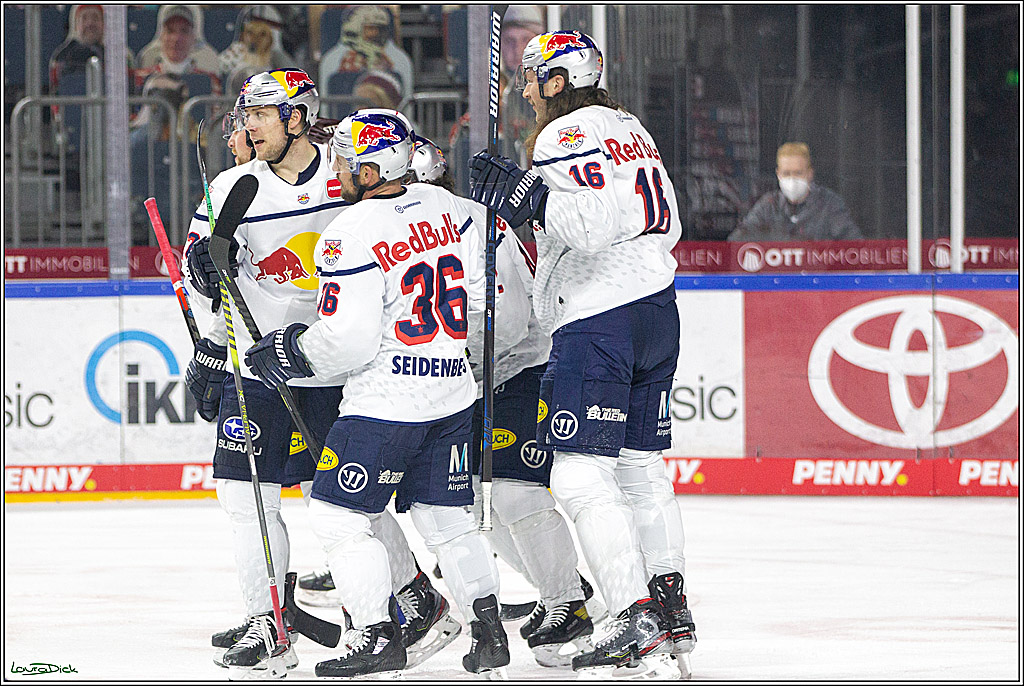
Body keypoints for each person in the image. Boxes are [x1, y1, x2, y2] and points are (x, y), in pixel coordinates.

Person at [243, 108, 510, 679]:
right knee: (448, 520)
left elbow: (348, 339)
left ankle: (375, 635)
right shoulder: (454, 209)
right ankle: (489, 634)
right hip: (452, 392)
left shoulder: (351, 231)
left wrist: (291, 350)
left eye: (342, 161)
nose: (335, 169)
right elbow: (484, 301)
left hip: (386, 401)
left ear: (368, 171)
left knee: (337, 515)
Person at [469, 31, 697, 679]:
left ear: (558, 81)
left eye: (532, 78)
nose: (525, 90)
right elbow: (662, 220)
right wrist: (529, 196)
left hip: (599, 317)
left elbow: (591, 227)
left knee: (578, 474)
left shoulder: (562, 133)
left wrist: (529, 198)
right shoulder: (630, 127)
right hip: (657, 305)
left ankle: (631, 613)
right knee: (641, 469)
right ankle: (669, 607)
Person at [407, 137, 603, 668]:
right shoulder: (395, 231)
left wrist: (453, 354)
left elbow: (511, 321)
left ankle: (568, 603)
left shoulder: (477, 224)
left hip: (519, 368)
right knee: (474, 503)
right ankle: (561, 583)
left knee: (515, 493)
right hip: (466, 379)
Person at [181, 69, 345, 678]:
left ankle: (400, 604)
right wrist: (204, 269)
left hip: (337, 365)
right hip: (256, 369)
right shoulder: (232, 186)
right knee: (244, 497)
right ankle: (268, 621)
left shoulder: (345, 174)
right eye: (245, 115)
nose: (248, 126)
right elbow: (201, 268)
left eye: (260, 115)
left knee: (352, 506)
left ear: (296, 118)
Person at [728, 142, 862, 241]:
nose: (792, 179)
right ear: (778, 174)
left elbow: (854, 245)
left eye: (798, 173)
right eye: (786, 173)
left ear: (810, 174)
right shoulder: (769, 205)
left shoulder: (829, 204)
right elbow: (736, 241)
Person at [318, 6, 413, 103]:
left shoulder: (395, 59)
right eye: (370, 28)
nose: (376, 33)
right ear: (357, 28)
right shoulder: (339, 59)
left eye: (379, 29)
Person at [135, 5, 222, 94]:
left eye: (184, 31)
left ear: (193, 37)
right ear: (161, 36)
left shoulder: (210, 82)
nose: (176, 38)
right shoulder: (140, 79)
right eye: (170, 31)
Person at [218, 6, 295, 97]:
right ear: (243, 35)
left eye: (262, 34)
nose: (254, 40)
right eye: (250, 32)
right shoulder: (235, 53)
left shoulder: (277, 57)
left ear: (271, 38)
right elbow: (216, 69)